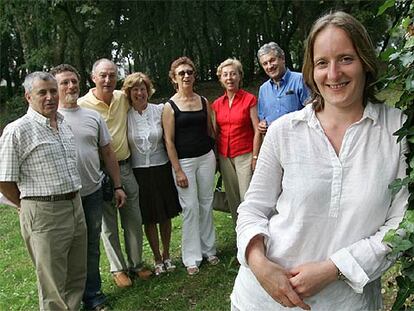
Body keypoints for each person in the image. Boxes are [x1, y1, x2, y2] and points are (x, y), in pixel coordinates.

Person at [231, 11, 409, 311]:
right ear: (310, 71)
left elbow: (402, 223)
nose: (333, 73)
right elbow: (253, 208)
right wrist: (259, 263)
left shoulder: (397, 130)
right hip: (262, 299)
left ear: (365, 61)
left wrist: (334, 268)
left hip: (345, 303)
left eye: (346, 59)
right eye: (322, 63)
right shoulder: (284, 131)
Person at [0, 72, 87, 310]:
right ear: (28, 96)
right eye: (42, 93)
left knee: (76, 273)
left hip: (74, 205)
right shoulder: (17, 130)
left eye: (52, 91)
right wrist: (25, 204)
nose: (50, 97)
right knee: (52, 282)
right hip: (44, 211)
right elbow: (4, 180)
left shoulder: (62, 124)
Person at [51, 64, 127, 310]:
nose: (71, 86)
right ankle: (68, 300)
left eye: (73, 81)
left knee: (91, 246)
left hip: (92, 192)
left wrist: (117, 185)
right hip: (63, 198)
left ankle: (93, 296)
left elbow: (108, 152)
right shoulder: (49, 118)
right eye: (64, 82)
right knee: (65, 250)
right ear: (54, 87)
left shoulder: (91, 116)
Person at [78, 58, 152, 288]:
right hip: (98, 172)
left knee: (133, 218)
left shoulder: (122, 98)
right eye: (103, 75)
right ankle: (118, 269)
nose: (108, 80)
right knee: (107, 223)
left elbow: (142, 99)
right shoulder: (82, 105)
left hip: (124, 167)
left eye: (112, 75)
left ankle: (136, 264)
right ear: (93, 78)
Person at [162, 56, 219, 275]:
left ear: (194, 75)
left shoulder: (204, 101)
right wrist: (177, 169)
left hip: (206, 157)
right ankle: (191, 257)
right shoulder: (170, 106)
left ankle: (209, 249)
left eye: (190, 72)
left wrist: (214, 156)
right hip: (184, 162)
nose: (186, 76)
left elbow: (210, 131)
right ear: (174, 78)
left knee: (206, 203)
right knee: (190, 208)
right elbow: (168, 141)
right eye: (181, 73)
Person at [123, 72, 181, 276]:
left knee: (164, 214)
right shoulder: (125, 116)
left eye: (143, 88)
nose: (140, 93)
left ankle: (167, 254)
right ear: (129, 94)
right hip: (139, 172)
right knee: (149, 216)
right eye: (135, 89)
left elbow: (169, 138)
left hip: (161, 167)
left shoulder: (159, 110)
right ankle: (156, 257)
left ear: (149, 91)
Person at [211, 58, 260, 226]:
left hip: (245, 154)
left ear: (240, 76)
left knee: (247, 197)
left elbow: (257, 130)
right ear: (221, 79)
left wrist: (255, 157)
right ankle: (240, 233)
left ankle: (253, 232)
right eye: (225, 75)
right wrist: (217, 159)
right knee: (232, 199)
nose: (229, 78)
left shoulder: (249, 99)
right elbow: (216, 133)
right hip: (225, 156)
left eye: (233, 74)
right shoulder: (217, 104)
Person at [257, 41, 309, 134]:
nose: (269, 66)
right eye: (265, 63)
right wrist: (262, 125)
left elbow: (311, 112)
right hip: (274, 143)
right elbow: (262, 118)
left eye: (272, 60)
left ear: (282, 59)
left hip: (298, 139)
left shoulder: (300, 80)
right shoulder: (263, 89)